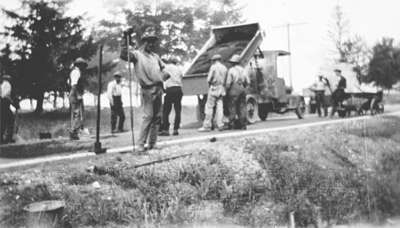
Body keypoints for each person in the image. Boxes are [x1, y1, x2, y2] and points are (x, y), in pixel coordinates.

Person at [120, 28, 170, 153]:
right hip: (147, 89)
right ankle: (140, 145)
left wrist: (164, 75)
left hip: (159, 88)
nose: (151, 44)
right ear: (144, 42)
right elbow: (124, 55)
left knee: (157, 117)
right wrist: (125, 38)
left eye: (153, 42)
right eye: (149, 42)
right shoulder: (137, 55)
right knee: (148, 116)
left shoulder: (155, 56)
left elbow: (163, 69)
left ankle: (152, 143)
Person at [198, 54, 228, 132]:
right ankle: (220, 125)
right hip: (221, 88)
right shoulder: (224, 68)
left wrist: (209, 85)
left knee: (209, 107)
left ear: (214, 61)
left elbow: (209, 79)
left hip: (214, 88)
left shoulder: (213, 67)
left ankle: (207, 126)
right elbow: (226, 80)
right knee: (220, 107)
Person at [159, 56, 183, 136]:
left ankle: (166, 129)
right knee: (178, 110)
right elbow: (181, 77)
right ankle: (176, 129)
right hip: (178, 89)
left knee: (166, 111)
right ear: (176, 62)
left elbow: (162, 78)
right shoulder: (179, 68)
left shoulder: (166, 67)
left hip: (170, 89)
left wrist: (163, 88)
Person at [225, 54, 249, 129]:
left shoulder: (231, 70)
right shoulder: (243, 70)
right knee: (242, 106)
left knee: (232, 106)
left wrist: (226, 91)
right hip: (242, 88)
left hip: (234, 89)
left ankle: (231, 123)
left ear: (233, 63)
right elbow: (248, 81)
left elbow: (228, 83)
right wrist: (243, 87)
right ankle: (243, 124)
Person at [69, 57, 87, 140]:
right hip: (75, 94)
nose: (84, 68)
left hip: (75, 93)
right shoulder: (76, 72)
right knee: (77, 113)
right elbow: (74, 85)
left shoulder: (75, 72)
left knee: (77, 113)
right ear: (80, 65)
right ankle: (73, 132)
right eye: (83, 65)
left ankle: (75, 131)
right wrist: (78, 94)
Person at [0, 75, 19, 144]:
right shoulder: (7, 85)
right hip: (4, 105)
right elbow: (5, 96)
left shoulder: (2, 85)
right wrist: (14, 104)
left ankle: (2, 139)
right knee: (10, 121)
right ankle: (8, 138)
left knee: (3, 122)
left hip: (2, 105)